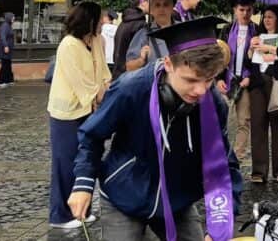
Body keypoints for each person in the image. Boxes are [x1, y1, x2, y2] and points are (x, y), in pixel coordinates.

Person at [68, 18, 241, 240]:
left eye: (208, 80)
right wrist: (83, 184)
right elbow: (91, 135)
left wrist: (220, 225)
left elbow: (224, 163)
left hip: (178, 199)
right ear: (168, 64)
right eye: (191, 80)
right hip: (124, 193)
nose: (200, 91)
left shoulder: (213, 103)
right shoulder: (131, 88)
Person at [48, 2, 112, 229]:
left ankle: (81, 210)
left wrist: (107, 85)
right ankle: (60, 215)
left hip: (90, 109)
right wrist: (97, 96)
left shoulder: (93, 41)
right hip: (67, 112)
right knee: (65, 162)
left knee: (87, 159)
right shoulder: (68, 45)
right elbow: (79, 81)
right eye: (101, 18)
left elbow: (103, 70)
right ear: (90, 20)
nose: (104, 22)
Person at [248, 4, 278, 184]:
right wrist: (252, 49)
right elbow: (249, 61)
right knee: (258, 126)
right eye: (265, 17)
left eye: (270, 17)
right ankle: (259, 171)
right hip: (258, 84)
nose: (267, 20)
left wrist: (270, 49)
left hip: (277, 83)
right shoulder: (257, 37)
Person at [218, 0, 257, 161]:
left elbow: (263, 61)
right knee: (221, 119)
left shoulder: (257, 30)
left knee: (244, 121)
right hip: (227, 78)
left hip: (246, 80)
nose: (245, 14)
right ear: (235, 10)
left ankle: (238, 155)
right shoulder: (226, 30)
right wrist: (218, 78)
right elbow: (219, 55)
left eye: (249, 10)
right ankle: (220, 153)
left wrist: (252, 78)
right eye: (241, 10)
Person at [125, 0, 177, 73]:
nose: (161, 9)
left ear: (172, 7)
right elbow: (129, 68)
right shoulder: (143, 34)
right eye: (157, 5)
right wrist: (141, 59)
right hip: (153, 84)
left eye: (166, 5)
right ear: (152, 9)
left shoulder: (182, 29)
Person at [112, 0, 146, 79]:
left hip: (118, 68)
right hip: (130, 73)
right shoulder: (140, 24)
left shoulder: (125, 21)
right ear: (143, 3)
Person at [0, 12, 16, 87]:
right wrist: (6, 46)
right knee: (5, 65)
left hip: (8, 49)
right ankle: (0, 81)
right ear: (9, 18)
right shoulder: (5, 26)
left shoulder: (9, 26)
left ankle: (9, 80)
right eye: (13, 17)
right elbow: (3, 37)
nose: (14, 19)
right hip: (4, 49)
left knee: (8, 64)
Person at [100, 11, 117, 76]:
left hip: (105, 59)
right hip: (114, 59)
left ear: (106, 17)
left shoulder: (101, 29)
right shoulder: (117, 29)